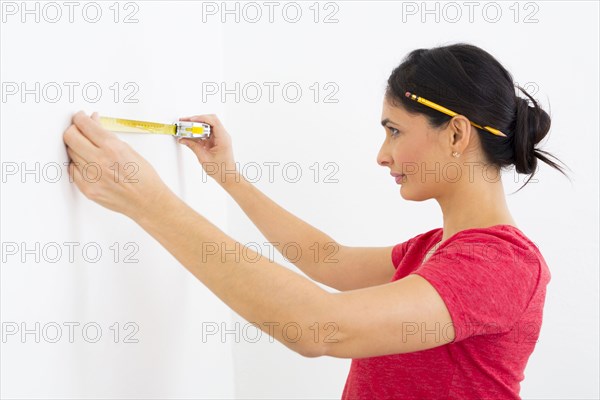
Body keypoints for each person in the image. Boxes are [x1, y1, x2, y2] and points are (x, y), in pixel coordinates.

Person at [63, 42, 569, 399]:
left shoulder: (499, 264)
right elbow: (330, 260)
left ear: (456, 136)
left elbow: (318, 328)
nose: (382, 154)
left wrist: (148, 202)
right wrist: (228, 176)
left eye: (394, 130)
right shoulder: (437, 249)